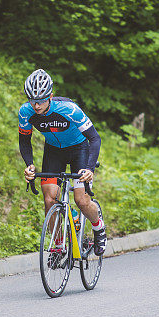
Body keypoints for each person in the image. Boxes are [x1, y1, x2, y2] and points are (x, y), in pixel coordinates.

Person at [18, 68, 107, 256]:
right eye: (32, 100)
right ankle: (59, 246)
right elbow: (24, 140)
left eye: (41, 100)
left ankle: (99, 228)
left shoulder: (69, 109)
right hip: (54, 151)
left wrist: (90, 168)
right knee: (49, 199)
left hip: (79, 149)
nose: (36, 105)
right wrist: (29, 164)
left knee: (81, 200)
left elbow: (95, 138)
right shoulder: (25, 112)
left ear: (50, 95)